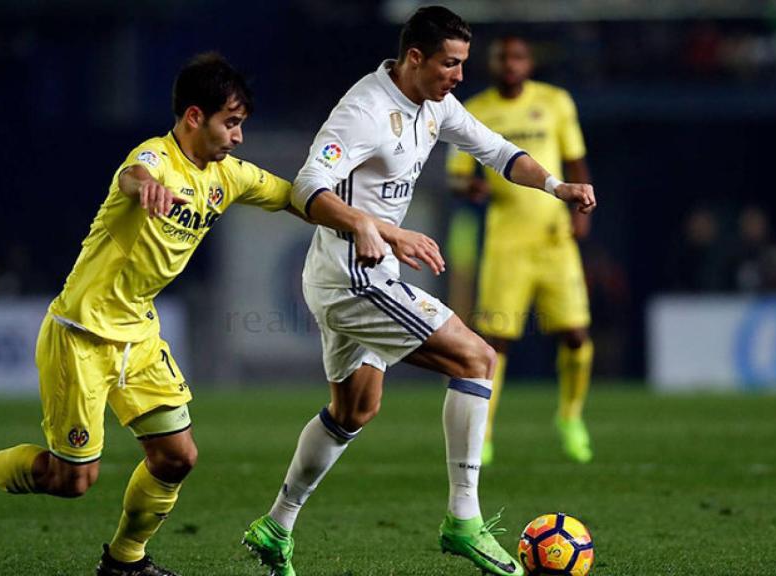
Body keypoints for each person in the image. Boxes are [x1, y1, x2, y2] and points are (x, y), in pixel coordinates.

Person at [242, 8, 596, 576]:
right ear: (414, 58)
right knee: (477, 357)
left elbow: (500, 152)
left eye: (462, 64)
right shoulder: (364, 110)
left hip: (355, 272)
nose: (459, 76)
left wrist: (558, 186)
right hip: (351, 274)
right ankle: (464, 522)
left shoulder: (435, 104)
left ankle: (276, 524)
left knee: (354, 408)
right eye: (450, 64)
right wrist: (370, 225)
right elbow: (308, 185)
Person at [0, 53, 299, 576]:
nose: (238, 137)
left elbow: (292, 196)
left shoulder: (226, 176)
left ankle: (125, 563)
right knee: (72, 480)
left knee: (177, 456)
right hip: (80, 336)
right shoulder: (154, 158)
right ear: (195, 117)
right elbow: (133, 175)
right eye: (230, 122)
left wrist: (365, 222)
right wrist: (143, 187)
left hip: (138, 335)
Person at [446, 35, 596, 465]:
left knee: (576, 334)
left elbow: (576, 159)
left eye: (517, 57)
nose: (510, 64)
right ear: (491, 65)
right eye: (502, 58)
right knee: (497, 342)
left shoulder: (556, 102)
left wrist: (581, 211)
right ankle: (485, 433)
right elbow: (457, 175)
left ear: (529, 62)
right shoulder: (476, 110)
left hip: (554, 239)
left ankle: (570, 417)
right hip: (505, 241)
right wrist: (469, 185)